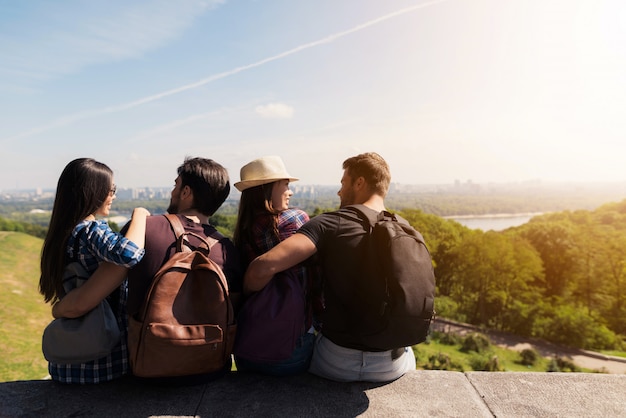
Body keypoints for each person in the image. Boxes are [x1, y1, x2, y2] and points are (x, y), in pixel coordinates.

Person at [53, 157, 244, 384]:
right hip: (210, 371)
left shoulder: (144, 230)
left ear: (186, 192)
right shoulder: (227, 249)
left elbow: (90, 295)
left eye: (176, 185)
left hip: (146, 370)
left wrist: (60, 308)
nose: (172, 191)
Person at [244, 152, 417, 383]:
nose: (338, 191)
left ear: (359, 183)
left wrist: (248, 295)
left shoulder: (325, 225)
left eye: (343, 183)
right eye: (285, 184)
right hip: (390, 365)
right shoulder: (406, 230)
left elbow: (261, 268)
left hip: (328, 359)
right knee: (408, 354)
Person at [39, 157, 150, 384]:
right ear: (93, 192)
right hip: (104, 362)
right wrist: (140, 214)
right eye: (111, 190)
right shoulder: (89, 230)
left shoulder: (62, 234)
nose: (113, 195)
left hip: (69, 363)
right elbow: (128, 253)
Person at [231, 156, 320, 376]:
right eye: (286, 185)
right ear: (267, 189)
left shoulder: (243, 230)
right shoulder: (296, 220)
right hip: (291, 345)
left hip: (248, 343)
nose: (290, 192)